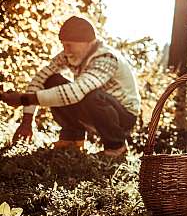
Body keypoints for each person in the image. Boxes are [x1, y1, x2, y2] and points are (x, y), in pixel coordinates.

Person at [0, 16, 140, 157]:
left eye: (69, 45)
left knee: (90, 95)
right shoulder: (69, 55)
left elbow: (76, 92)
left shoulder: (106, 57)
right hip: (98, 107)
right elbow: (40, 79)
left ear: (88, 43)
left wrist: (24, 99)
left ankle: (116, 146)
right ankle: (72, 139)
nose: (66, 51)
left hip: (124, 116)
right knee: (51, 81)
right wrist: (27, 121)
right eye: (63, 45)